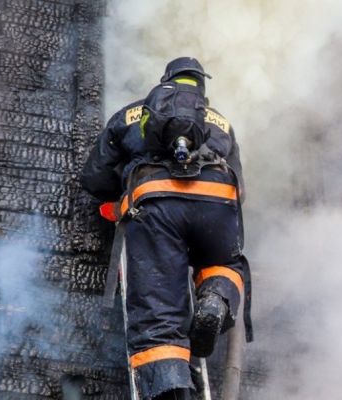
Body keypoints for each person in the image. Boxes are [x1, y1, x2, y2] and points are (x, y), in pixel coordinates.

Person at [80, 57, 250, 400]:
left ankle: (170, 393)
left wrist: (122, 190)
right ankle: (215, 298)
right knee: (224, 264)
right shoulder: (220, 123)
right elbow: (241, 191)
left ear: (164, 82)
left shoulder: (132, 114)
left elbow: (94, 178)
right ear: (201, 88)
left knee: (159, 319)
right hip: (217, 203)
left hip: (157, 207)